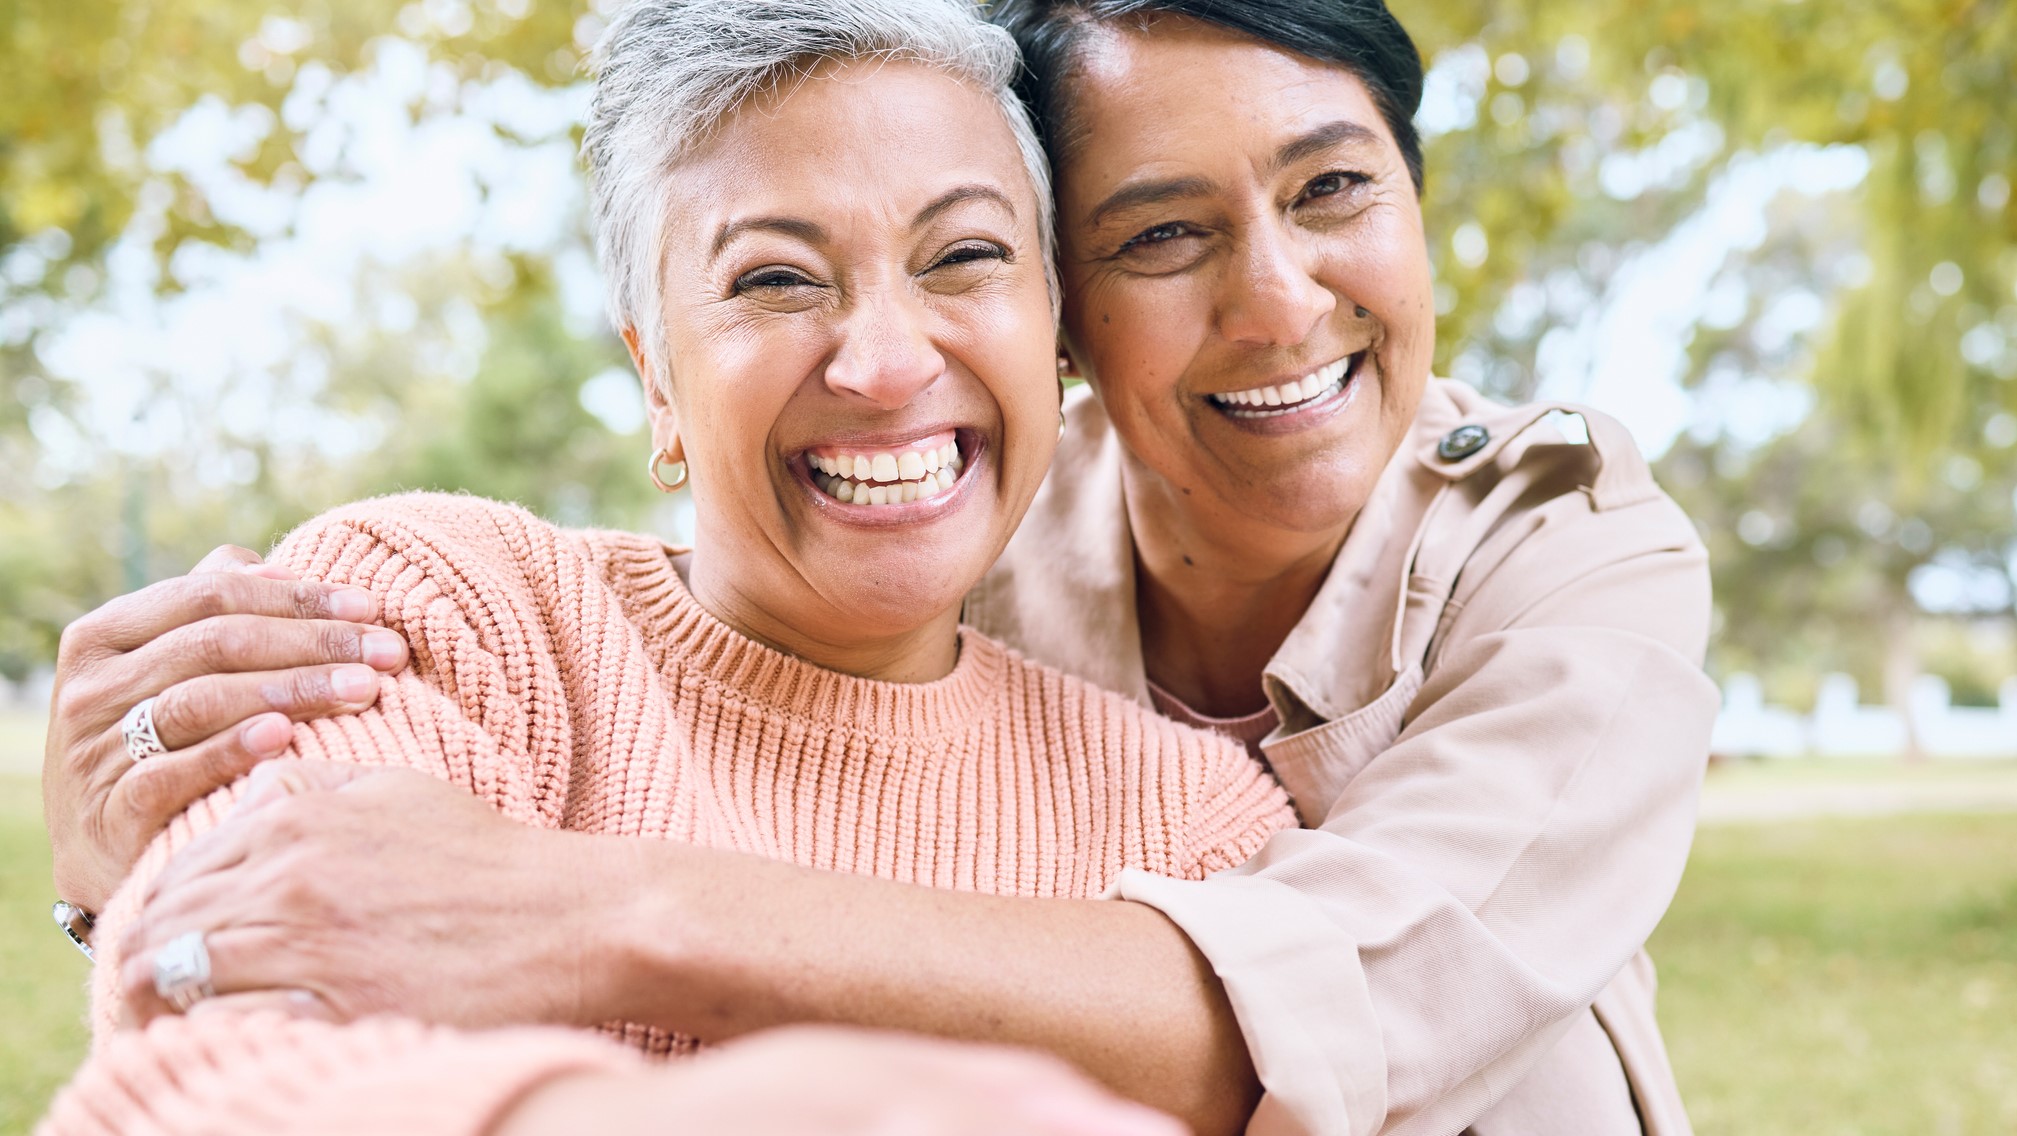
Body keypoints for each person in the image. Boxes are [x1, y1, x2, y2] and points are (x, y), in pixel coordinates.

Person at [41, 1, 1719, 1133]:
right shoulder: (447, 612)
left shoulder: (1250, 783)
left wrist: (597, 915)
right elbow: (226, 1046)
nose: (886, 362)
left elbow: (1350, 1003)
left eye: (961, 257)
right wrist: (133, 881)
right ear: (653, 371)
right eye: (774, 279)